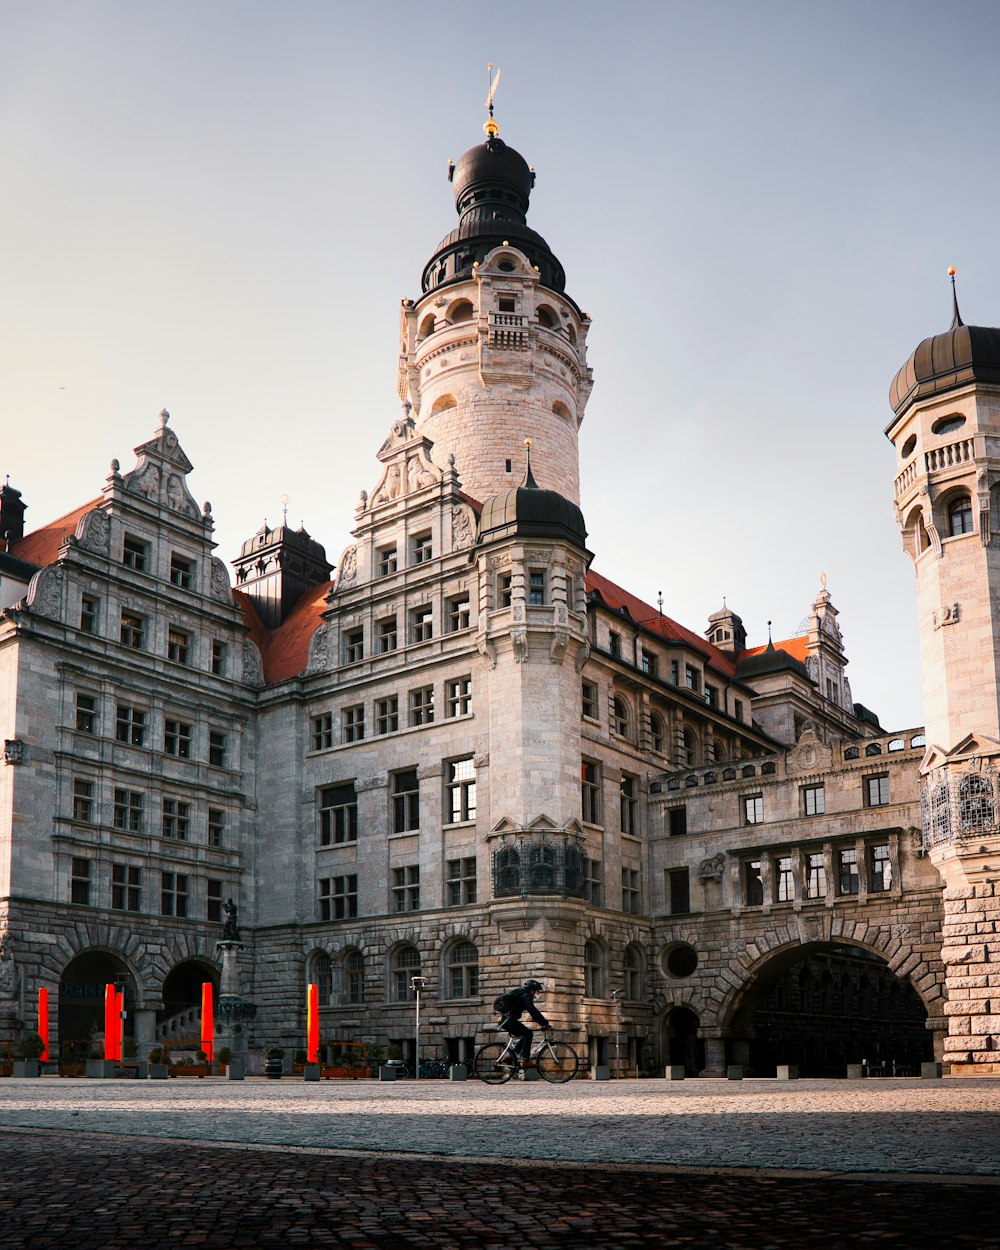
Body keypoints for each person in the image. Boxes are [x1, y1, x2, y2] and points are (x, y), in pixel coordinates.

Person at [498, 979, 550, 1063]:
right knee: (528, 1034)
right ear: (531, 990)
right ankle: (525, 1059)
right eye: (537, 991)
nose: (538, 994)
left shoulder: (523, 996)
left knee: (525, 1035)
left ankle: (510, 1057)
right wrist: (545, 1023)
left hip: (506, 1020)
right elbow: (533, 1011)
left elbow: (533, 1012)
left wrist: (543, 1022)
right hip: (508, 1020)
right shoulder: (526, 996)